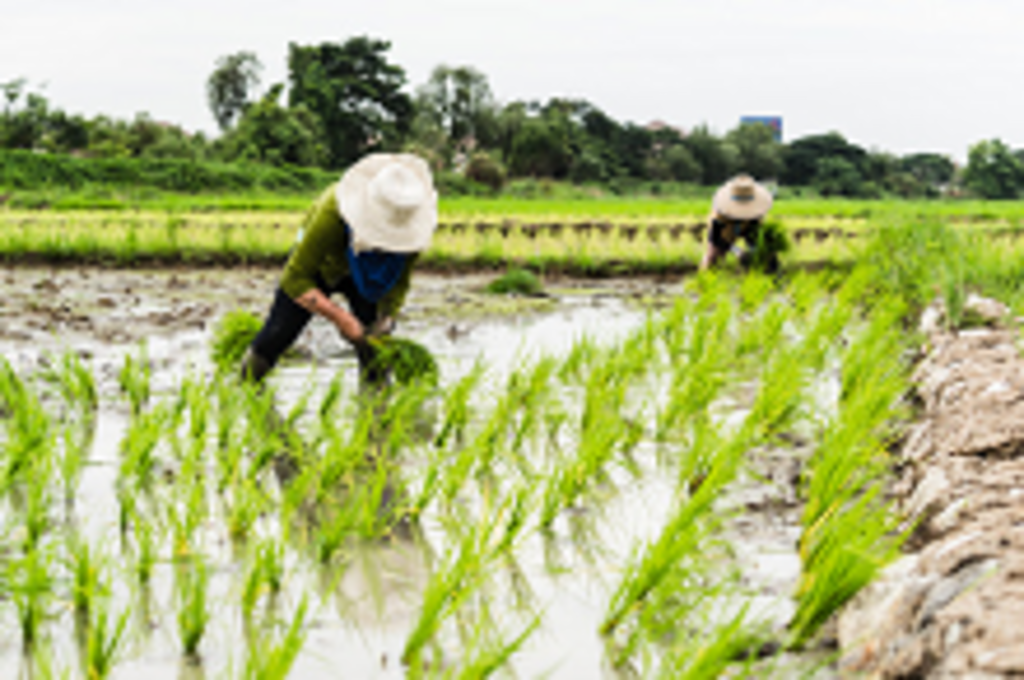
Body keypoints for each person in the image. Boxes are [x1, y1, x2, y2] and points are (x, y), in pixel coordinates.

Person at [241, 153, 437, 385]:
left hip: (369, 277)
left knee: (375, 352)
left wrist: (388, 317)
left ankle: (375, 413)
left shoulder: (413, 228)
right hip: (321, 269)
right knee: (277, 334)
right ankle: (244, 390)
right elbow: (295, 278)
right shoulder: (333, 208)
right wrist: (341, 318)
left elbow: (400, 282)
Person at [700, 174, 777, 273]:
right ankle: (703, 280)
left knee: (767, 256)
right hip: (726, 228)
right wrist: (737, 251)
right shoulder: (719, 220)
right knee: (712, 259)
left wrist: (754, 252)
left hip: (750, 225)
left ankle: (770, 278)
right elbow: (721, 242)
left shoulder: (755, 217)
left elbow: (758, 241)